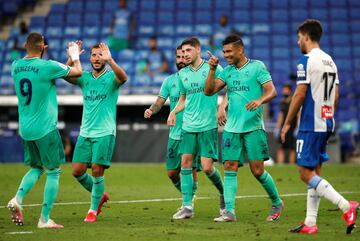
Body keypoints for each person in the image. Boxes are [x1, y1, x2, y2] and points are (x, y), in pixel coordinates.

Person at [281, 19, 359, 235]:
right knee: (315, 171)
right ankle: (310, 222)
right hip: (327, 120)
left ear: (306, 36)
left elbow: (299, 93)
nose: (298, 42)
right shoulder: (330, 61)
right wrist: (326, 115)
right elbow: (335, 96)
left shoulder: (305, 61)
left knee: (305, 173)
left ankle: (346, 206)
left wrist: (287, 122)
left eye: (299, 38)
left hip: (310, 123)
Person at [204, 34, 283, 222]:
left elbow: (272, 90)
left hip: (253, 127)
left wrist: (260, 100)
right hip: (231, 128)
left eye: (229, 51)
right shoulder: (227, 71)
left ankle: (277, 202)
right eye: (223, 52)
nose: (226, 55)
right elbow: (209, 91)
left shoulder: (257, 67)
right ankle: (229, 211)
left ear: (240, 50)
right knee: (229, 166)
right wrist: (212, 69)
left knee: (257, 171)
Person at [7, 32, 82, 228]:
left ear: (25, 45)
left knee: (36, 168)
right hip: (45, 128)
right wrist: (75, 56)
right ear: (43, 47)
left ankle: (17, 198)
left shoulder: (15, 66)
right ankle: (44, 219)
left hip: (26, 129)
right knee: (54, 171)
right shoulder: (47, 66)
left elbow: (49, 72)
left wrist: (64, 62)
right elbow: (77, 72)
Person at [65, 42, 127, 223]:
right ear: (89, 57)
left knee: (98, 170)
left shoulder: (111, 77)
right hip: (85, 132)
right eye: (93, 55)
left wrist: (111, 60)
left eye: (100, 55)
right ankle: (99, 194)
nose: (97, 58)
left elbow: (123, 78)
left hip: (105, 132)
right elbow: (64, 74)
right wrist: (72, 57)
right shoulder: (84, 77)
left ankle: (92, 210)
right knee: (77, 171)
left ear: (105, 57)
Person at [167, 37, 225, 220]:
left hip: (207, 125)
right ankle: (187, 207)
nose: (185, 55)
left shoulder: (212, 68)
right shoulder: (183, 73)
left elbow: (228, 88)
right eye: (183, 52)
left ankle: (224, 194)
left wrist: (222, 107)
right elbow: (184, 99)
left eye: (188, 51)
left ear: (198, 50)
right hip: (188, 125)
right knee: (185, 163)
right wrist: (174, 112)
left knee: (207, 168)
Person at [144, 46, 199, 197]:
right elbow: (159, 102)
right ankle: (189, 195)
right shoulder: (169, 81)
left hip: (192, 130)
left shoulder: (197, 79)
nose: (181, 60)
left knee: (190, 168)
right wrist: (151, 110)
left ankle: (189, 201)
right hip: (174, 133)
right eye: (178, 57)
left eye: (183, 56)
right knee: (172, 173)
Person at [276, 83, 297, 164]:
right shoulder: (282, 102)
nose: (284, 92)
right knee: (281, 148)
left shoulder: (293, 102)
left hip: (292, 128)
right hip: (282, 128)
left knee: (292, 148)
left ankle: (291, 165)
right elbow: (280, 116)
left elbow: (298, 115)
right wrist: (278, 128)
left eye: (286, 90)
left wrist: (297, 127)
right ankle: (280, 166)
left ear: (290, 91)